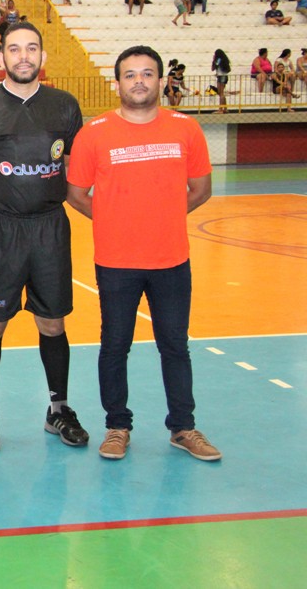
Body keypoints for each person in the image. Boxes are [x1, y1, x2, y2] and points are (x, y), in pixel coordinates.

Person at [66, 44, 221, 462]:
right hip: (116, 262)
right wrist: (114, 220)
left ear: (161, 81)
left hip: (172, 260)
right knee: (115, 346)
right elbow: (76, 193)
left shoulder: (186, 128)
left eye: (148, 73)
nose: (139, 81)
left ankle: (183, 427)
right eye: (131, 74)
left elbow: (201, 189)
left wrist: (162, 217)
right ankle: (117, 426)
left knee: (175, 346)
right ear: (117, 83)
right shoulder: (94, 133)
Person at [0, 22, 89, 452]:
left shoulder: (65, 106)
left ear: (43, 56)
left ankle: (58, 408)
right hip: (1, 228)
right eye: (14, 49)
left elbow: (80, 166)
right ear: (1, 58)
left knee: (53, 322)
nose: (24, 56)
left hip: (50, 227)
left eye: (32, 48)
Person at [211, 49, 231, 113]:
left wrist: (213, 60)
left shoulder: (218, 60)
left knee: (221, 93)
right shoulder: (224, 60)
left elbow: (213, 68)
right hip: (224, 76)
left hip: (221, 77)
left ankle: (220, 109)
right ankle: (225, 108)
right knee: (221, 93)